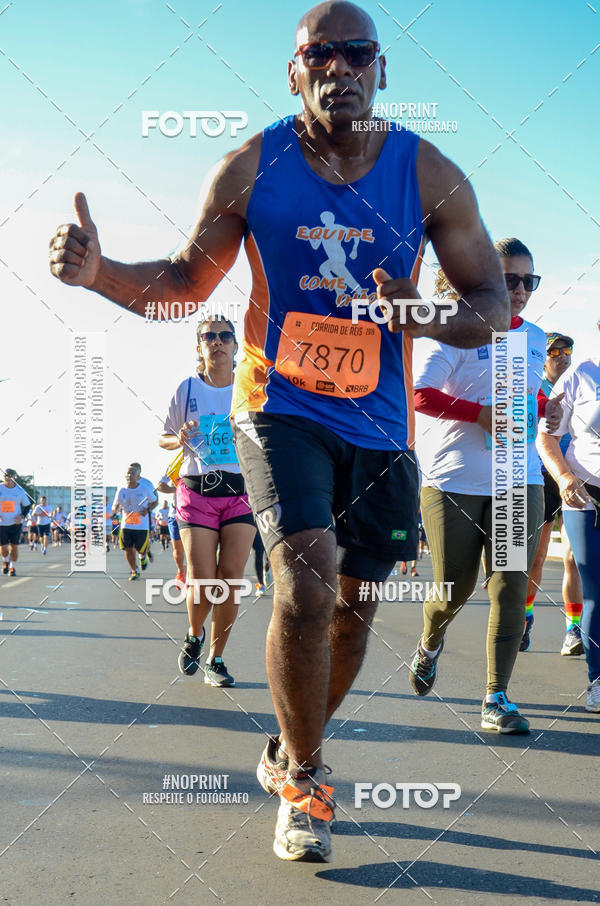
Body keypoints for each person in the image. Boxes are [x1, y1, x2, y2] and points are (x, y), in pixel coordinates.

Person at [49, 1, 509, 863]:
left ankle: (288, 747)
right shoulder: (250, 167)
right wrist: (101, 273)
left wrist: (426, 315)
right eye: (319, 55)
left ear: (381, 68)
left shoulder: (427, 172)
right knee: (304, 586)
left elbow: (490, 302)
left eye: (356, 53)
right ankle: (306, 782)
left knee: (354, 612)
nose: (339, 69)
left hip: (380, 426)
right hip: (278, 407)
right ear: (294, 73)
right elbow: (186, 282)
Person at [410, 238, 561, 733]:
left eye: (528, 281)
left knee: (510, 588)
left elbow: (526, 395)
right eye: (509, 278)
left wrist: (547, 408)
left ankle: (496, 697)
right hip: (454, 478)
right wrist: (479, 414)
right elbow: (420, 394)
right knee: (453, 589)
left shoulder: (534, 337)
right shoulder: (451, 330)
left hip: (518, 478)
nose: (520, 290)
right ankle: (431, 640)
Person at [160, 317, 256, 688]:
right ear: (200, 346)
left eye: (224, 336)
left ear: (235, 345)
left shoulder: (251, 386)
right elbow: (164, 437)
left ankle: (216, 660)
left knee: (230, 579)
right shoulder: (188, 388)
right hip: (197, 491)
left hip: (241, 492)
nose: (217, 341)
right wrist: (179, 438)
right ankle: (194, 634)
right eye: (208, 336)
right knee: (202, 580)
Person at [538, 355, 600, 712]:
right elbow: (546, 438)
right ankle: (597, 679)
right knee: (596, 590)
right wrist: (563, 477)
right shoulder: (581, 374)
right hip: (586, 495)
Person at [523, 332, 584, 655]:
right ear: (543, 358)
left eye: (567, 350)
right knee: (537, 557)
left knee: (574, 558)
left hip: (577, 478)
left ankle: (573, 629)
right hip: (543, 477)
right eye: (555, 351)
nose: (563, 356)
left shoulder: (582, 384)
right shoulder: (534, 388)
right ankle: (524, 617)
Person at [111, 465, 157, 580]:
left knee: (141, 549)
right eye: (128, 473)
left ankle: (142, 557)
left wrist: (148, 509)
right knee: (128, 548)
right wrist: (115, 510)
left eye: (132, 473)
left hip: (142, 526)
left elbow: (154, 501)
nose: (130, 475)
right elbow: (115, 505)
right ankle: (134, 570)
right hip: (126, 525)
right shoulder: (122, 490)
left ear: (138, 476)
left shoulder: (144, 488)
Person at [0, 469, 30, 576]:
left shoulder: (20, 490)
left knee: (14, 546)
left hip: (15, 523)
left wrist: (21, 516)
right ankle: (6, 560)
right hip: (2, 523)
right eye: (6, 476)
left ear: (14, 477)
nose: (7, 478)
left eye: (10, 476)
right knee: (3, 547)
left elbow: (27, 506)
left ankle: (13, 567)